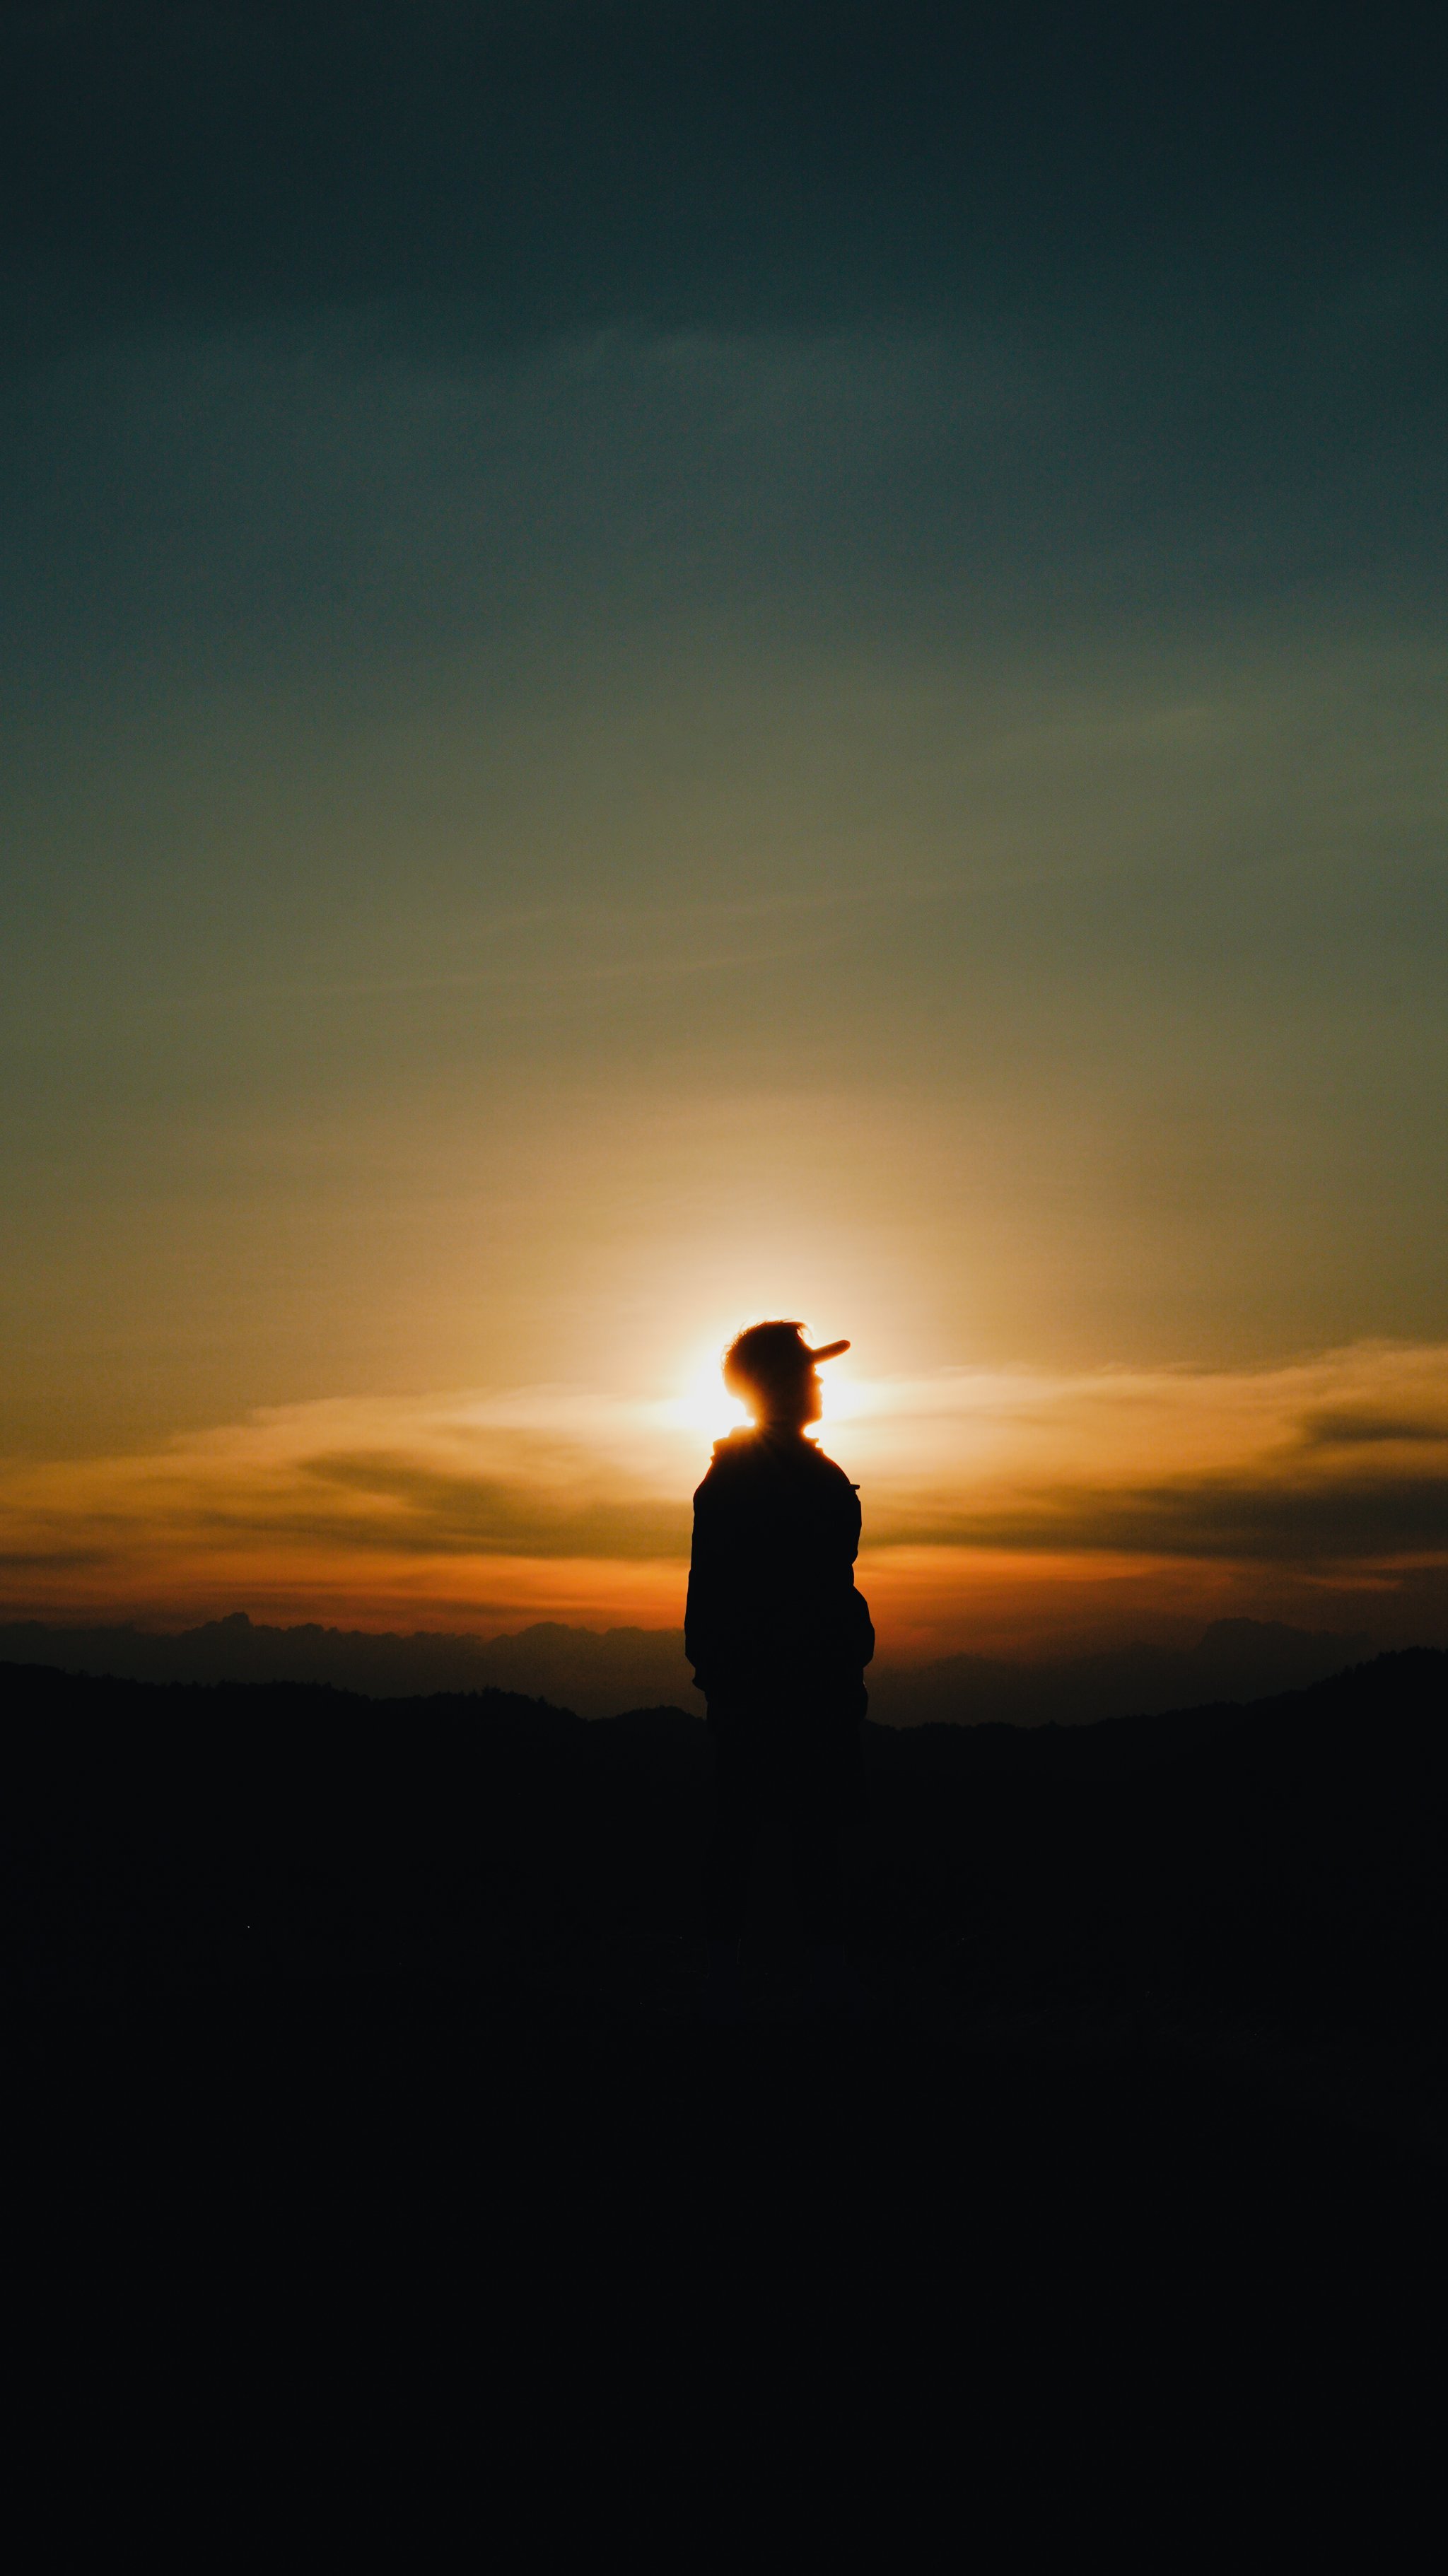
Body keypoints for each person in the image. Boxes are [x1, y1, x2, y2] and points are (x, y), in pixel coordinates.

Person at [685, 1320, 874, 2021]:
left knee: (788, 1829)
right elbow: (723, 1594)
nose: (819, 1381)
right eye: (808, 1371)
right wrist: (731, 1676)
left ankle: (761, 1976)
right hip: (783, 1687)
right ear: (779, 1384)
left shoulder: (752, 1473)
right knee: (782, 1829)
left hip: (792, 1684)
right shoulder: (753, 1478)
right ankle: (749, 1979)